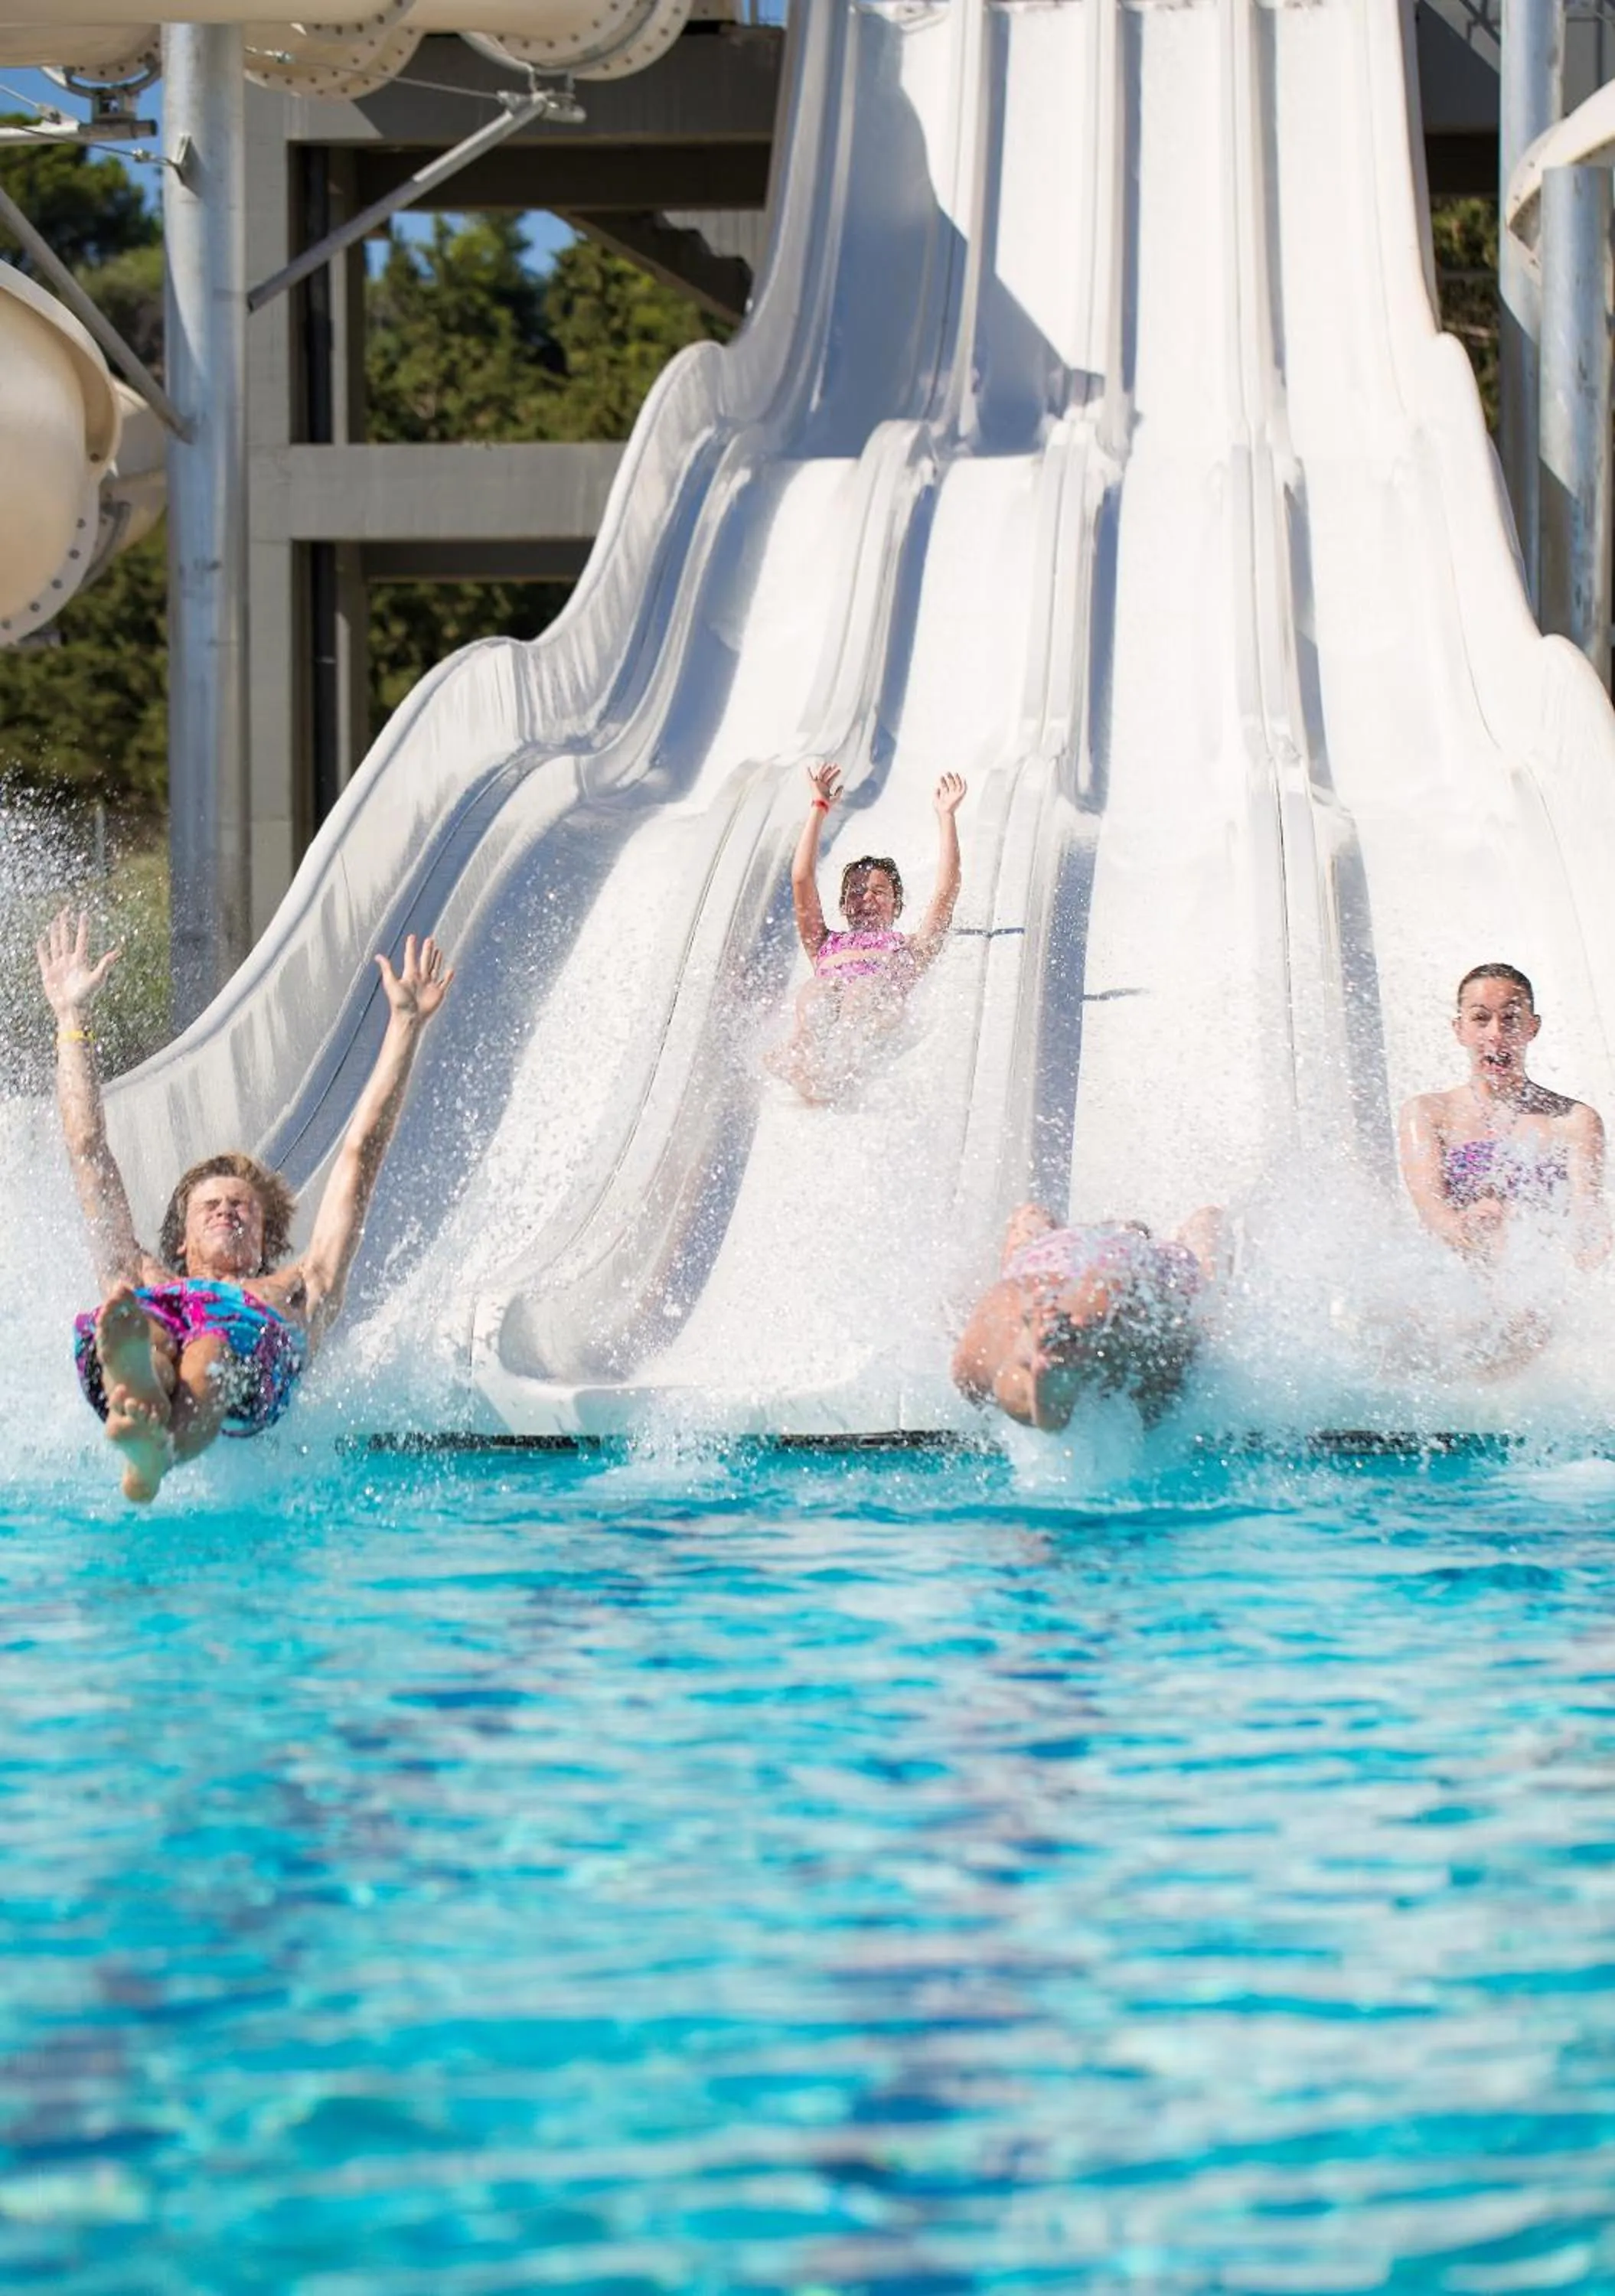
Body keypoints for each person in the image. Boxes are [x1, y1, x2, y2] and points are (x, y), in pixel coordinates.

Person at [38, 907, 453, 1502]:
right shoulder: (142, 1274)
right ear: (180, 1240)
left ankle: (159, 1440)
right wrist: (71, 1018)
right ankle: (140, 1393)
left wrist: (405, 1026)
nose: (228, 1211)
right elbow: (87, 1152)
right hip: (153, 1317)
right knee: (146, 1328)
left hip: (245, 1348)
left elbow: (360, 1155)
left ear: (267, 1239)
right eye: (211, 1207)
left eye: (243, 1208)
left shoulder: (298, 1285)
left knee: (211, 1350)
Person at [766, 761, 967, 1103]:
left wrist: (946, 817)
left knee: (862, 990)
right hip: (829, 1002)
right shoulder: (824, 943)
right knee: (819, 988)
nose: (866, 898)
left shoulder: (909, 948)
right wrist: (818, 808)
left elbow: (946, 891)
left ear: (897, 907)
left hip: (873, 1011)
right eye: (857, 892)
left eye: (879, 891)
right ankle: (802, 1056)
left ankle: (843, 1069)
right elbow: (801, 879)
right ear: (844, 906)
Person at [1398, 961, 1609, 1271]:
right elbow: (1432, 1213)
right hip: (1461, 1278)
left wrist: (1591, 1247)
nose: (1496, 1033)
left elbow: (1584, 1216)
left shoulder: (1574, 1120)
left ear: (1532, 1027)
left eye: (1511, 1018)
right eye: (1480, 1019)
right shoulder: (1428, 1113)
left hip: (1540, 1277)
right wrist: (1466, 1228)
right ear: (1460, 1030)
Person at [951, 1201, 1225, 1433]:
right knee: (1157, 1380)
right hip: (1119, 1282)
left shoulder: (1045, 1248)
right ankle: (1059, 1362)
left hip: (1035, 1278)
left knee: (983, 1363)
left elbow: (1028, 1217)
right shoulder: (1165, 1257)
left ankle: (1029, 1363)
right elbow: (1208, 1233)